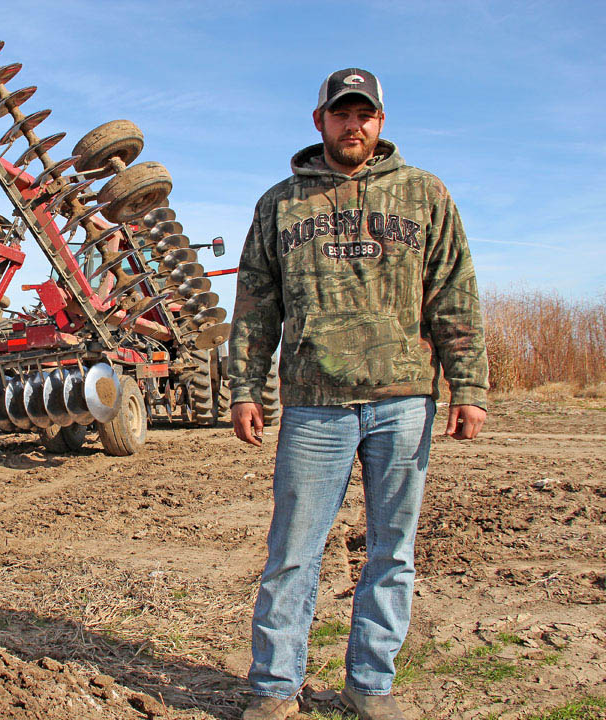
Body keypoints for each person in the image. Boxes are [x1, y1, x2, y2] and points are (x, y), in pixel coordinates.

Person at [227, 68, 488, 720]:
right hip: (314, 405)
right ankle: (275, 691)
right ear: (320, 121)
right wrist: (244, 388)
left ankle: (370, 687)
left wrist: (469, 385)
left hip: (404, 402)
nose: (354, 124)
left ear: (380, 120)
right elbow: (256, 307)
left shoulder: (425, 195)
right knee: (292, 554)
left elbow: (453, 292)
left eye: (364, 114)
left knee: (391, 553)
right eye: (342, 114)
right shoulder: (280, 204)